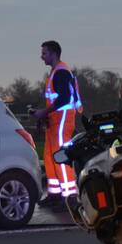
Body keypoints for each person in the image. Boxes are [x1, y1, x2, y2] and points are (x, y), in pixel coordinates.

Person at [30, 40, 83, 209]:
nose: (41, 56)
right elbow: (56, 99)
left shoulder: (60, 72)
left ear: (53, 53)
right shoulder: (56, 72)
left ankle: (70, 197)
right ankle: (55, 194)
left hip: (62, 120)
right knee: (50, 157)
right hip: (54, 121)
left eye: (44, 53)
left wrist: (43, 113)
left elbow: (64, 99)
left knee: (61, 157)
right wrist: (43, 117)